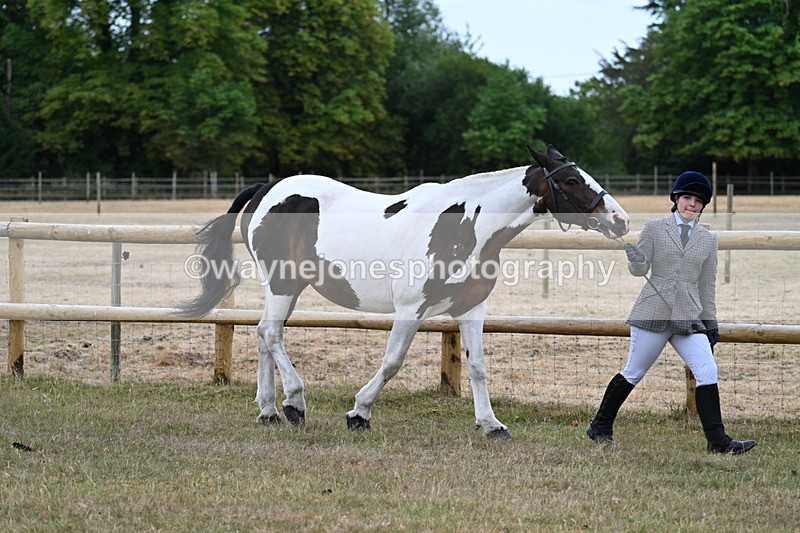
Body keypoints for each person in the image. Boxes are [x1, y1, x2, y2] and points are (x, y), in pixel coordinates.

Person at [586, 171, 757, 455]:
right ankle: (600, 426)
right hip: (653, 310)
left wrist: (710, 323)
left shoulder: (708, 240)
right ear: (676, 199)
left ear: (704, 205)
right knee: (634, 371)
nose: (692, 204)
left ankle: (718, 442)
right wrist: (637, 260)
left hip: (688, 316)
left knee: (707, 370)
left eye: (698, 200)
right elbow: (638, 270)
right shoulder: (655, 228)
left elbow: (707, 285)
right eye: (687, 198)